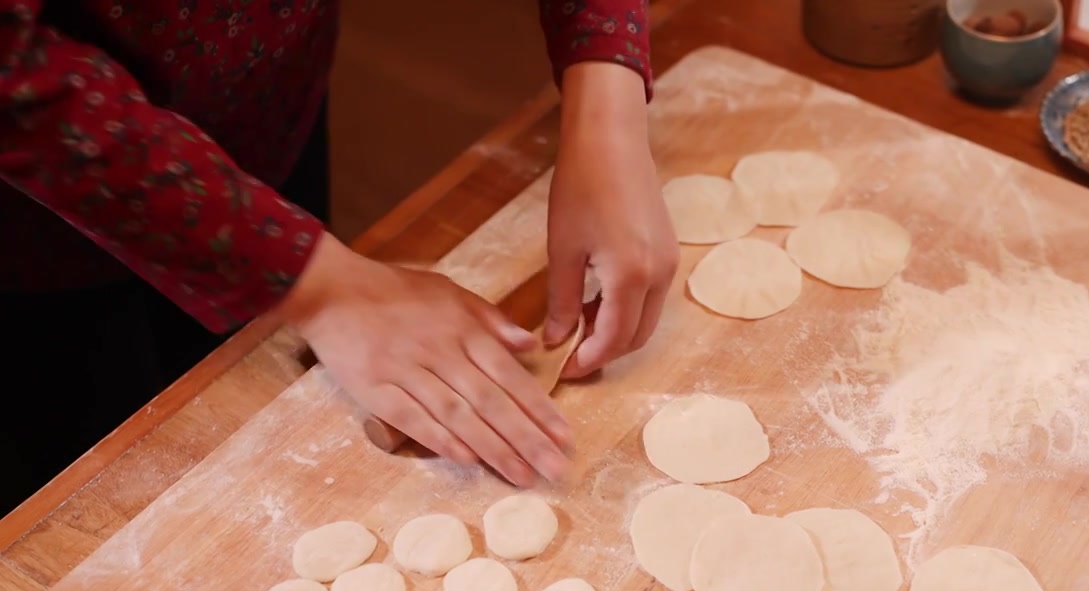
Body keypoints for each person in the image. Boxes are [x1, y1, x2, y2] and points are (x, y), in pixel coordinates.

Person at [0, 0, 678, 508]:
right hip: (37, 234)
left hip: (265, 106)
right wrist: (322, 286)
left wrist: (605, 98)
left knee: (252, 418)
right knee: (104, 483)